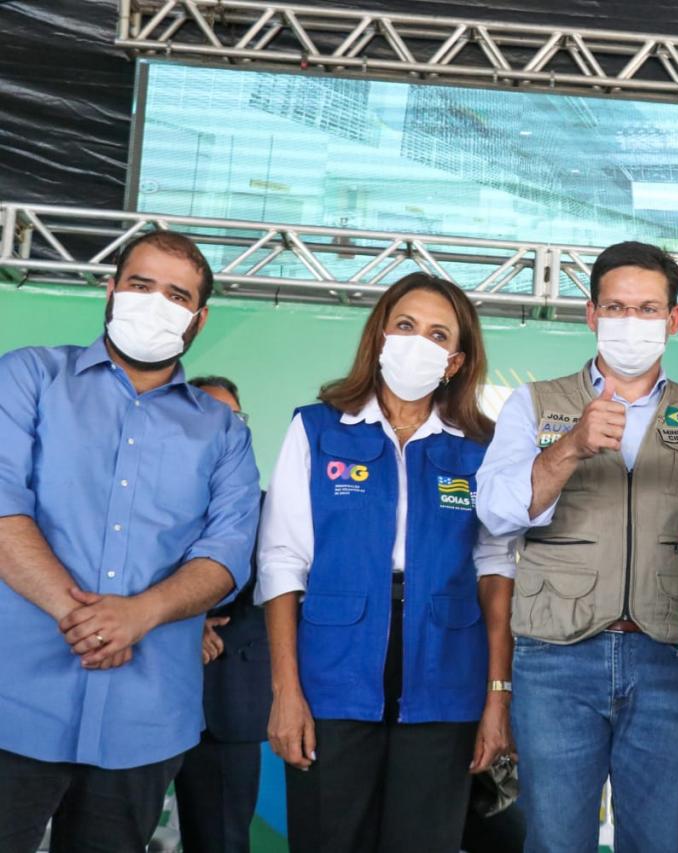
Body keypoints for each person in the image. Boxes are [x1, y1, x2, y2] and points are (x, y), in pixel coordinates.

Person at [0, 231, 261, 852]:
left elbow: (227, 553)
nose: (155, 303)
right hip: (15, 700)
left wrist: (139, 616)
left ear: (198, 320)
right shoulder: (30, 376)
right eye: (142, 285)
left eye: (177, 295)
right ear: (111, 290)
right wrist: (85, 618)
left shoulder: (223, 430)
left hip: (146, 717)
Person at [477, 240, 678, 853]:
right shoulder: (533, 403)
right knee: (557, 843)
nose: (630, 323)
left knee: (660, 844)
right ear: (591, 315)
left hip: (671, 658)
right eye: (615, 308)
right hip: (556, 658)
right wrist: (569, 447)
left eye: (646, 309)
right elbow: (498, 511)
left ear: (673, 320)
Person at [257, 273, 516, 853]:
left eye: (437, 334)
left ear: (454, 361)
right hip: (332, 671)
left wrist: (497, 697)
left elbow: (496, 572)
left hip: (447, 673)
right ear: (379, 337)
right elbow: (281, 562)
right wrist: (285, 690)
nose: (417, 342)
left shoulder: (479, 448)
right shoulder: (317, 428)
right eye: (405, 326)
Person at [173, 376, 271, 853]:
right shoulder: (141, 503)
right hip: (141, 695)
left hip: (226, 703)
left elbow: (250, 584)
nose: (223, 428)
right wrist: (182, 624)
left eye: (233, 418)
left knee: (221, 842)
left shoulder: (266, 508)